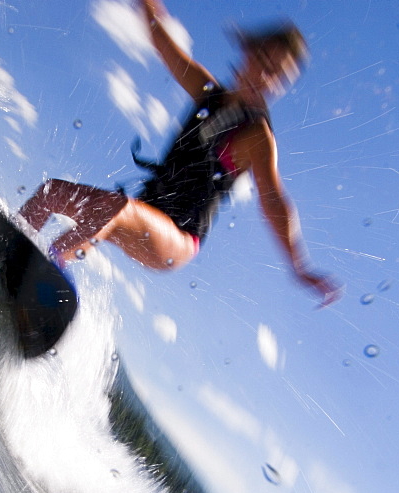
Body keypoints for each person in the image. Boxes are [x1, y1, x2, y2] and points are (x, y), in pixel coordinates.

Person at [17, 0, 341, 307]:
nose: (268, 79)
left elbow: (273, 200)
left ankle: (46, 265)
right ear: (248, 53)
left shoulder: (257, 134)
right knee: (52, 192)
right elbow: (162, 42)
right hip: (143, 211)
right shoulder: (207, 92)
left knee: (115, 209)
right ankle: (9, 244)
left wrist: (298, 265)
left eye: (280, 78)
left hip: (176, 240)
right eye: (266, 64)